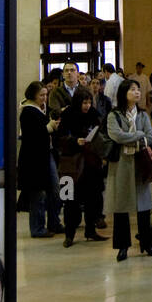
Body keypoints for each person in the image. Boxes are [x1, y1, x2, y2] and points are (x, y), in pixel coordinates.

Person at [105, 78, 152, 260]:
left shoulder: (142, 115)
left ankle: (146, 243)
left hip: (141, 162)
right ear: (123, 93)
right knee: (121, 205)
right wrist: (138, 135)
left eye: (138, 90)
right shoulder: (114, 115)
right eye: (133, 89)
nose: (137, 92)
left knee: (144, 205)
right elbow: (116, 136)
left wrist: (135, 136)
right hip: (121, 164)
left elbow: (150, 136)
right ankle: (122, 246)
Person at [56, 90, 107, 246]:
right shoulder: (68, 115)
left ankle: (90, 230)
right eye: (84, 103)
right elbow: (58, 138)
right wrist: (74, 141)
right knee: (70, 200)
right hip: (70, 164)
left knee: (93, 198)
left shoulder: (94, 114)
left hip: (91, 164)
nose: (87, 106)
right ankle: (69, 234)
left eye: (89, 102)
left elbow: (101, 134)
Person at [17, 81, 58, 238]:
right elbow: (31, 135)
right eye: (41, 95)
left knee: (53, 190)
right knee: (38, 194)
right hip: (33, 159)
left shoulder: (40, 110)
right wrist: (48, 128)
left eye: (46, 95)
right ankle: (37, 228)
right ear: (33, 95)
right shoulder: (28, 111)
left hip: (44, 154)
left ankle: (53, 223)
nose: (44, 98)